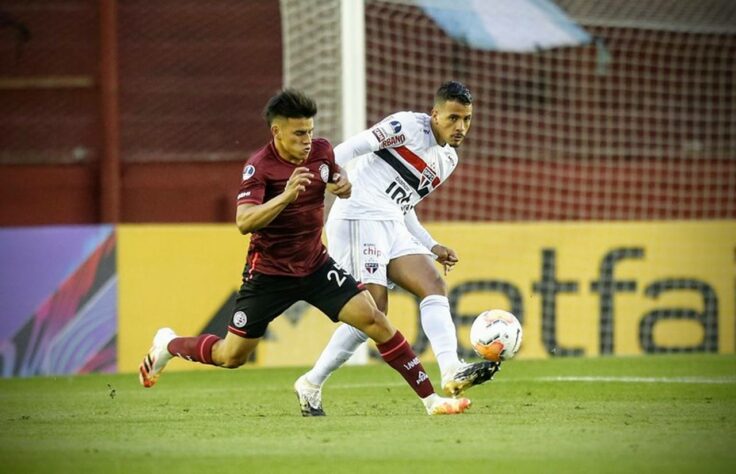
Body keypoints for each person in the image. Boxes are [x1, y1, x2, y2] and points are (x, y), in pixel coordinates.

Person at [138, 89, 471, 416]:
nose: (307, 139)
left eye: (310, 131)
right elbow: (244, 222)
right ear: (277, 132)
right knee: (231, 356)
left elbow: (338, 173)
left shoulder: (322, 151)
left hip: (315, 265)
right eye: (299, 133)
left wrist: (342, 183)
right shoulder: (259, 167)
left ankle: (432, 401)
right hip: (269, 273)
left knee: (374, 318)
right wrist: (285, 196)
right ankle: (169, 344)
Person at [294, 81, 500, 416]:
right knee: (373, 310)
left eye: (466, 119)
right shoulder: (406, 126)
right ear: (434, 114)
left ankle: (451, 370)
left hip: (390, 221)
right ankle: (312, 382)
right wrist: (329, 176)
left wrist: (431, 244)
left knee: (433, 284)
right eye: (453, 118)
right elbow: (351, 148)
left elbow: (404, 204)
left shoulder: (448, 159)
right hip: (358, 214)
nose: (460, 127)